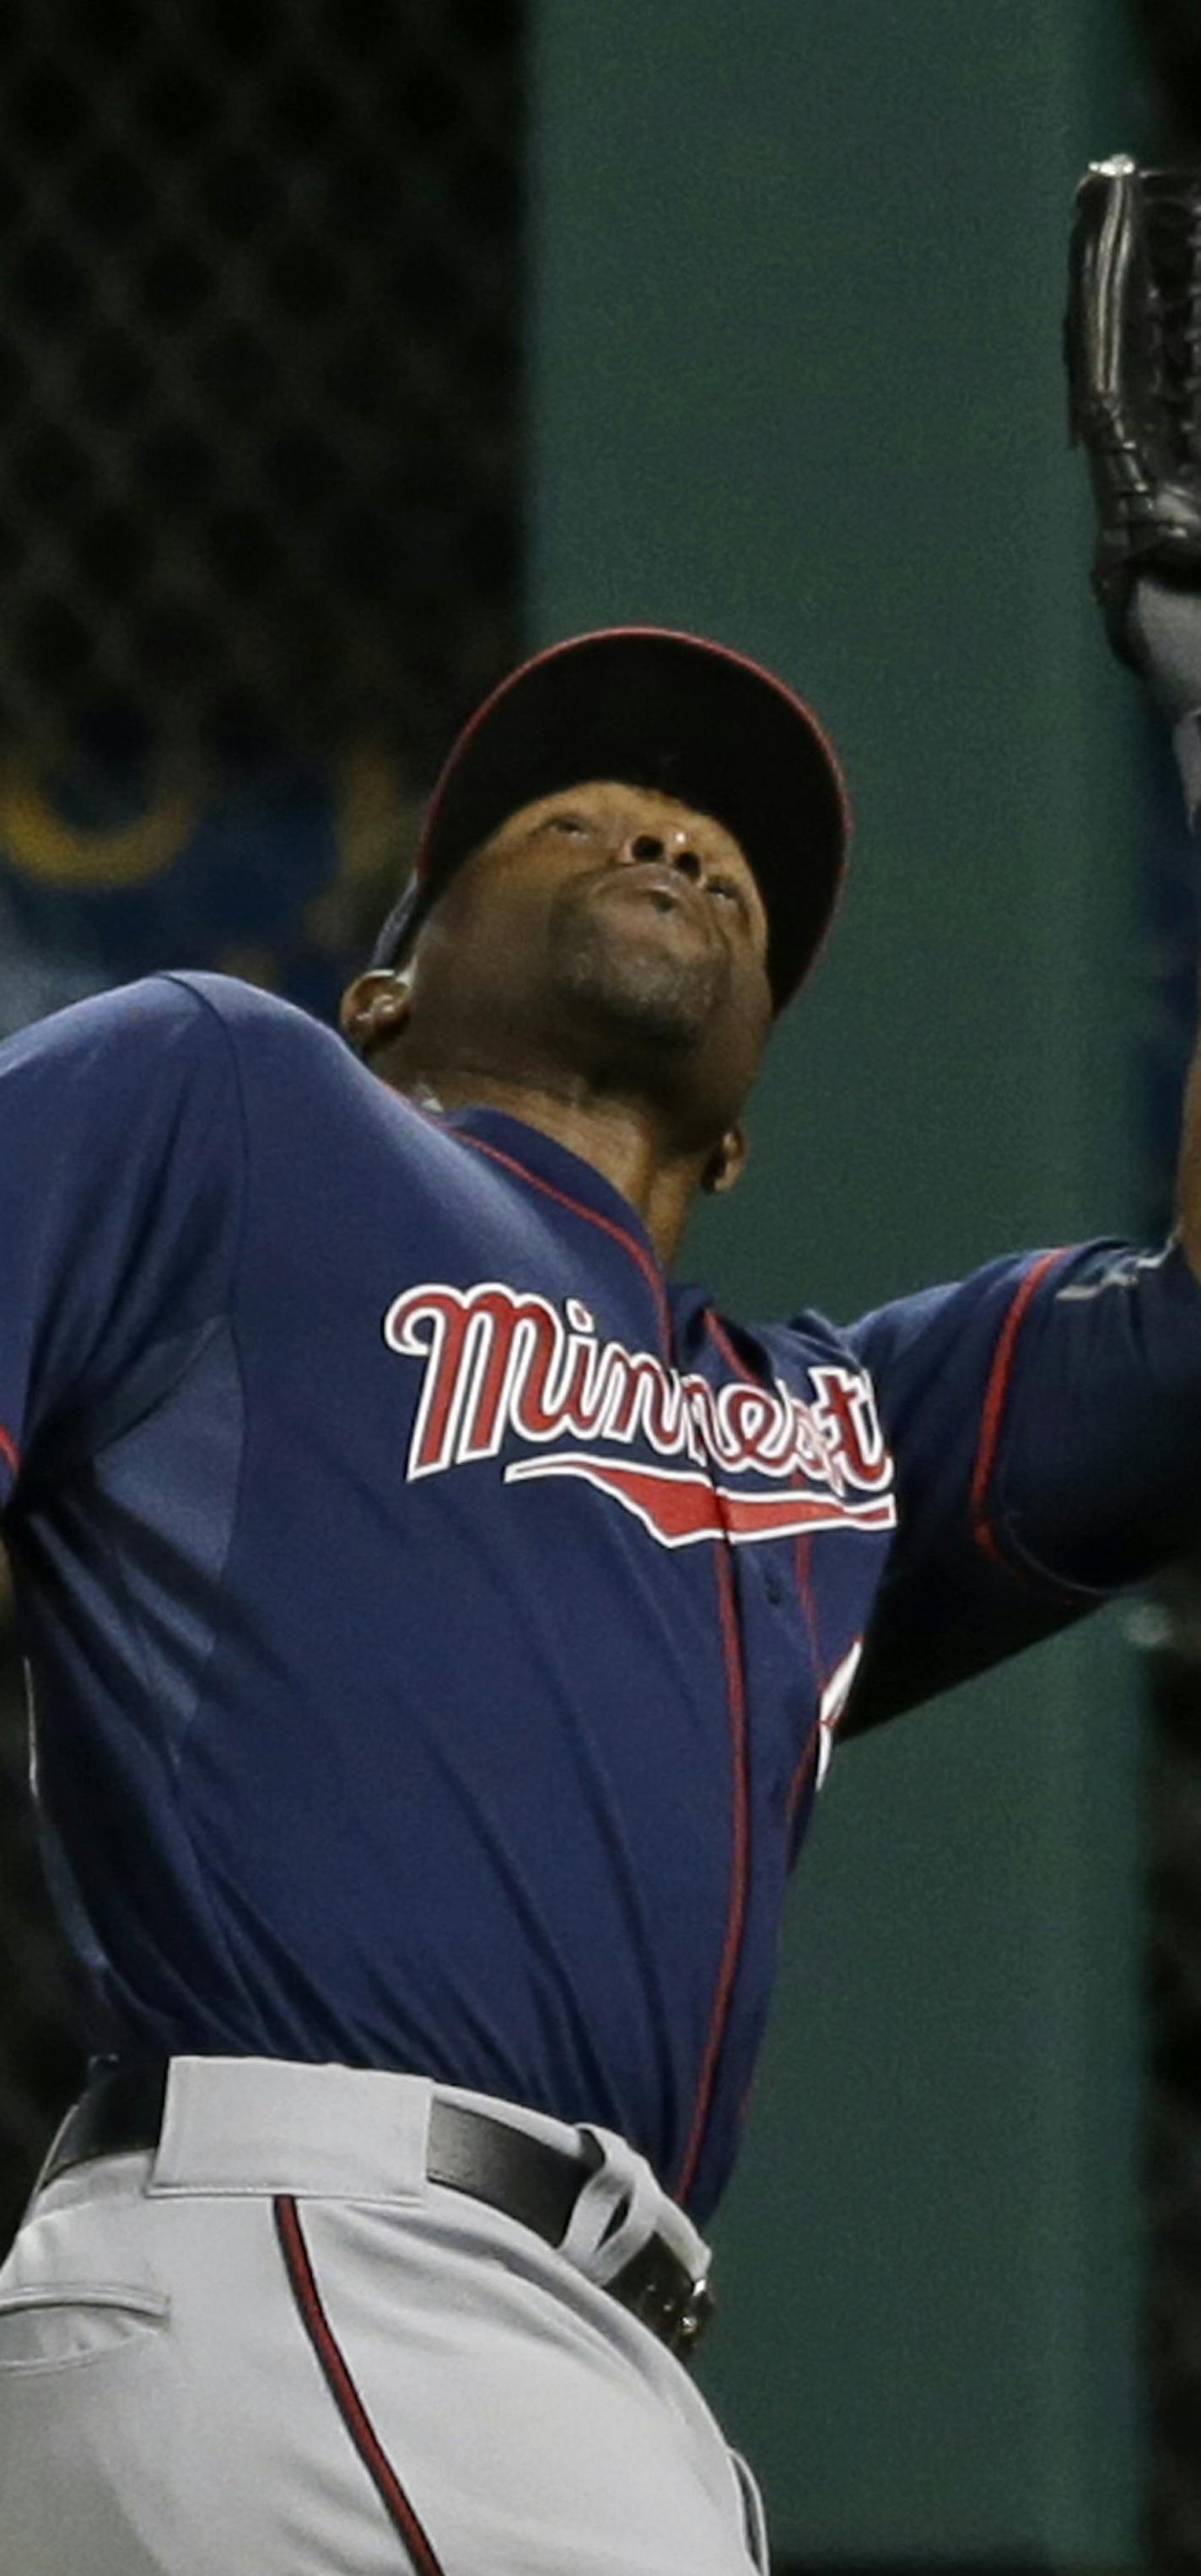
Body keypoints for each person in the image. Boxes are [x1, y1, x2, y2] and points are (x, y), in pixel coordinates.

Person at [1, 613, 1200, 2576]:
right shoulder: (228, 1102)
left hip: (548, 2362)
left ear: (742, 1127)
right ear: (384, 990)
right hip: (321, 2269)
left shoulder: (833, 1428)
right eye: (581, 815)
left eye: (723, 859)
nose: (667, 839)